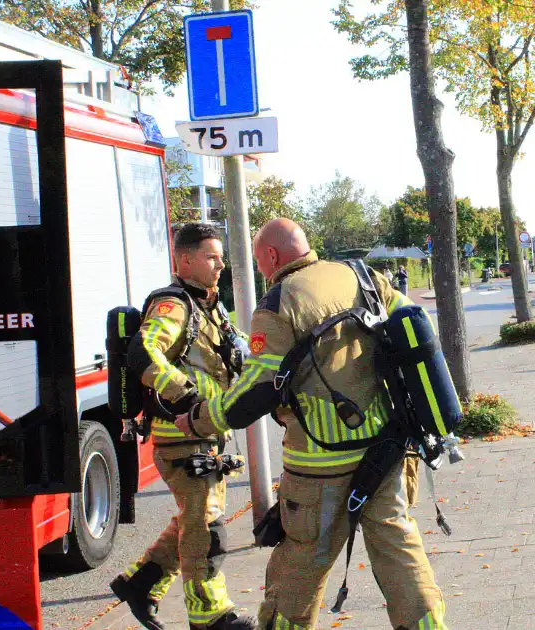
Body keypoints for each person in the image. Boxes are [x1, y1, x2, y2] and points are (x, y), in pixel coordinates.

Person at [172, 218, 448, 630]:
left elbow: (258, 388)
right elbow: (413, 330)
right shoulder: (362, 276)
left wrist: (197, 419)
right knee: (399, 548)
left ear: (270, 256)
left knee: (299, 563)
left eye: (258, 261)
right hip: (384, 449)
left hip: (318, 466)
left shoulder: (279, 301)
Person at [109, 222, 255, 630]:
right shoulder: (174, 305)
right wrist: (185, 396)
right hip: (181, 437)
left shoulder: (210, 307)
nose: (220, 264)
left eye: (221, 256)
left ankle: (141, 583)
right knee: (206, 529)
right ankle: (210, 616)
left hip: (205, 436)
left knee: (195, 519)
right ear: (185, 259)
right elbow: (144, 352)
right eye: (212, 256)